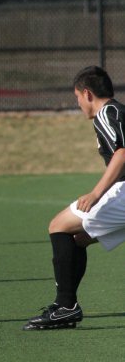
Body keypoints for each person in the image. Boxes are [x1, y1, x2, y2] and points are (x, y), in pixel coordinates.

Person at [23, 65, 125, 330]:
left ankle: (66, 307)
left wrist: (95, 193)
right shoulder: (118, 112)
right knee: (78, 239)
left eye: (77, 97)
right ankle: (66, 305)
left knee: (58, 225)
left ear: (87, 94)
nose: (78, 104)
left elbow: (122, 154)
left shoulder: (107, 113)